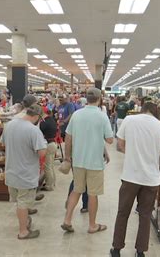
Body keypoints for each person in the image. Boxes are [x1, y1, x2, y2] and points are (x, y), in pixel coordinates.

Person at [110, 102, 160, 257]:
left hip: (130, 176)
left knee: (122, 213)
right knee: (145, 215)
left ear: (143, 110)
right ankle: (140, 251)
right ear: (155, 112)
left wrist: (132, 154)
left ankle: (117, 249)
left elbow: (120, 145)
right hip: (151, 179)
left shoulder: (129, 120)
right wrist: (156, 158)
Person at [61, 88, 114, 234]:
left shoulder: (77, 115)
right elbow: (110, 139)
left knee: (77, 190)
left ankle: (67, 220)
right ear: (99, 99)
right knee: (92, 194)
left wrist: (67, 157)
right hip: (95, 163)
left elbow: (68, 138)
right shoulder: (102, 116)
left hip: (78, 161)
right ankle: (92, 225)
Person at [2, 104, 47, 240]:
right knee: (23, 203)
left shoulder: (9, 125)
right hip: (25, 174)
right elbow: (41, 153)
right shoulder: (33, 130)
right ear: (36, 116)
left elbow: (4, 144)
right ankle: (23, 231)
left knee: (19, 202)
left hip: (11, 171)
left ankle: (25, 222)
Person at [39, 108, 58, 191]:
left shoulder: (44, 122)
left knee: (47, 166)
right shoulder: (51, 120)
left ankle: (49, 185)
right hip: (53, 144)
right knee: (50, 165)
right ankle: (52, 182)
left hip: (48, 145)